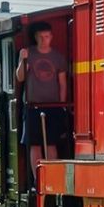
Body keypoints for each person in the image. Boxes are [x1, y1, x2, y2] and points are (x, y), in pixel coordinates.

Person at [16, 22, 67, 170]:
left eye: (47, 36)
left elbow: (62, 83)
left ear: (51, 37)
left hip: (53, 106)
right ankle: (38, 179)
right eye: (41, 37)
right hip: (33, 105)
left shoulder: (58, 57)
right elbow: (20, 78)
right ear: (36, 37)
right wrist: (23, 61)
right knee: (35, 144)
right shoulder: (28, 53)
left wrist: (62, 105)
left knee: (51, 143)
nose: (45, 40)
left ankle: (52, 178)